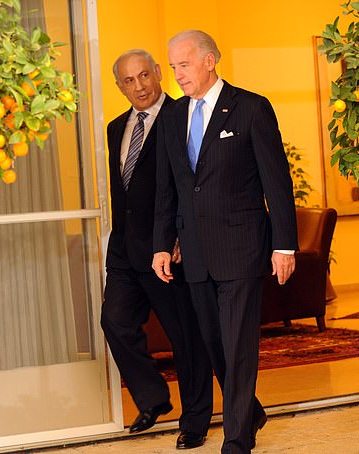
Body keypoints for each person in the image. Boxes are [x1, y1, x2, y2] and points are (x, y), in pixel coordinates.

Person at [152, 30, 299, 453]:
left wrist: (284, 245)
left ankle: (237, 439)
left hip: (242, 249)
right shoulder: (172, 116)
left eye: (184, 64)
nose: (176, 73)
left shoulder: (251, 108)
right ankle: (249, 411)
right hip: (194, 252)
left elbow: (277, 181)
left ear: (210, 61)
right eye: (173, 65)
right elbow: (168, 188)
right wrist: (163, 244)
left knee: (237, 345)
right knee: (214, 343)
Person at [101, 49, 213, 450]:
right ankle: (153, 398)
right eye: (128, 81)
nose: (139, 86)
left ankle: (197, 420)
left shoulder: (186, 116)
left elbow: (191, 183)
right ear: (119, 87)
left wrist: (180, 235)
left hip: (169, 247)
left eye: (144, 75)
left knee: (187, 338)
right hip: (125, 249)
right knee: (114, 321)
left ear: (158, 74)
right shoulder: (117, 127)